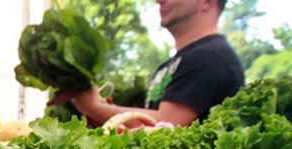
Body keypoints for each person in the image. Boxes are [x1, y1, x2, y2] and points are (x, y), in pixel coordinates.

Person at [67, 0, 243, 127]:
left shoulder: (210, 57)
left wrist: (93, 106)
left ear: (207, 2)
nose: (158, 1)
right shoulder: (175, 63)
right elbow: (146, 129)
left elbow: (166, 124)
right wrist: (106, 112)